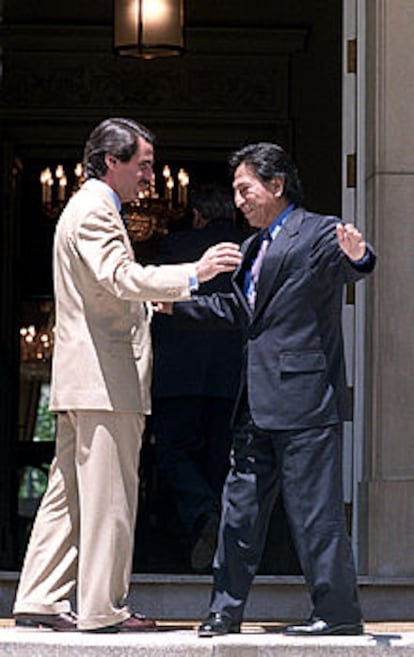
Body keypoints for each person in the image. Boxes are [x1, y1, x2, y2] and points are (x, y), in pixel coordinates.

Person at [12, 118, 241, 633]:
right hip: (104, 379)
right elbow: (118, 277)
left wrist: (149, 302)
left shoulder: (90, 207)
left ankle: (40, 597)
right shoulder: (94, 209)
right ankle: (102, 609)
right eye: (143, 164)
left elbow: (108, 289)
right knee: (111, 495)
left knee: (67, 493)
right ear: (111, 162)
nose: (151, 177)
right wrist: (194, 274)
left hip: (88, 378)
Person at [160, 142, 376, 637]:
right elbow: (239, 312)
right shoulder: (253, 248)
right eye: (236, 191)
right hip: (254, 405)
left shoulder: (319, 231)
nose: (239, 201)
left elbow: (354, 265)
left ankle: (338, 613)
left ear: (276, 186)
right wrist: (177, 307)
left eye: (245, 189)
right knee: (239, 515)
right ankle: (224, 612)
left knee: (314, 516)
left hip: (305, 404)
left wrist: (360, 257)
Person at [151, 184, 243, 572]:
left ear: (197, 215)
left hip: (179, 376)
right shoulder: (249, 246)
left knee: (173, 454)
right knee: (224, 461)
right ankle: (226, 546)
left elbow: (151, 299)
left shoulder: (176, 248)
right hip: (232, 377)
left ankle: (205, 515)